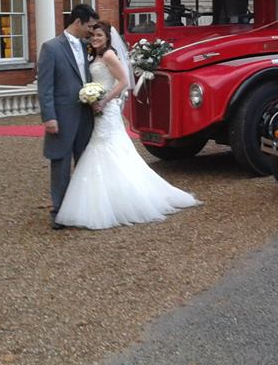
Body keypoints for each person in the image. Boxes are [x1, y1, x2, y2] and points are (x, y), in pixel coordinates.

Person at [54, 21, 200, 230]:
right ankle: (105, 198)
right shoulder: (93, 56)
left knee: (106, 148)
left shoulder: (109, 56)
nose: (95, 38)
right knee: (100, 149)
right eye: (93, 35)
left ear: (107, 38)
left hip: (107, 109)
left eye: (99, 36)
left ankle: (118, 202)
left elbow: (123, 81)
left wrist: (103, 100)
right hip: (95, 109)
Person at [37, 3, 99, 230]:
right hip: (62, 116)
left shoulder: (88, 47)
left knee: (85, 162)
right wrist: (49, 117)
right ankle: (59, 211)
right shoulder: (51, 48)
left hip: (85, 114)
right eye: (89, 26)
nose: (92, 31)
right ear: (77, 22)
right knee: (60, 163)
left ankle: (82, 208)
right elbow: (45, 87)